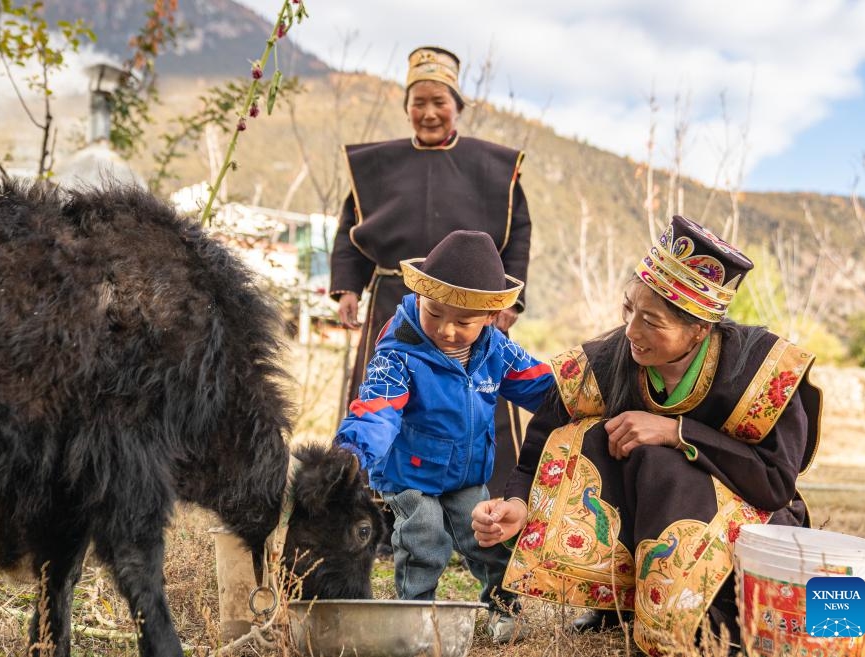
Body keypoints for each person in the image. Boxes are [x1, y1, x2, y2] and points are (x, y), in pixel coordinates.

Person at [471, 216, 822, 655]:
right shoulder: (612, 358)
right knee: (589, 436)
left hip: (748, 526)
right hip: (659, 508)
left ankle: (685, 617)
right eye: (628, 309)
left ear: (699, 329)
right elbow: (543, 438)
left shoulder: (759, 374)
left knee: (660, 463)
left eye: (652, 321)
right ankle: (619, 601)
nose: (632, 330)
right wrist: (519, 504)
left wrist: (679, 433)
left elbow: (775, 485)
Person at [329, 45, 532, 501]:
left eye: (439, 101)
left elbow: (517, 231)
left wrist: (509, 301)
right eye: (418, 102)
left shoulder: (493, 168)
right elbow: (350, 229)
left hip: (474, 310)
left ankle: (491, 505)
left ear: (456, 106)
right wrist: (347, 288)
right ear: (406, 109)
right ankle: (377, 506)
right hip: (392, 300)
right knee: (389, 398)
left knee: (480, 399)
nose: (428, 112)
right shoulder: (375, 166)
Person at [334, 230, 555, 644]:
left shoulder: (496, 350)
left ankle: (504, 607)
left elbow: (541, 385)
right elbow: (378, 409)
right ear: (419, 297)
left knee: (487, 534)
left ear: (490, 318)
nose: (447, 330)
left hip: (464, 474)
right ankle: (418, 616)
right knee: (426, 534)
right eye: (434, 313)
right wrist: (351, 452)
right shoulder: (399, 352)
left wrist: (582, 395)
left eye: (463, 322)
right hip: (409, 473)